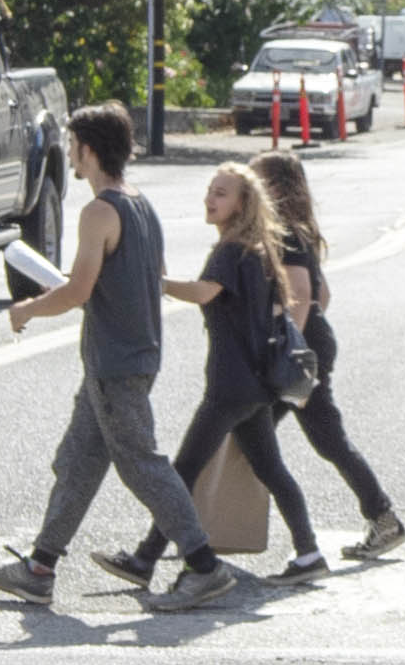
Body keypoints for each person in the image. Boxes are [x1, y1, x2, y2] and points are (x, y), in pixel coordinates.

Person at [0, 104, 240, 612]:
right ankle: (39, 568)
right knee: (78, 462)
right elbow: (143, 279)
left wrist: (28, 308)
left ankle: (205, 566)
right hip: (123, 359)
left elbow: (77, 291)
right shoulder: (142, 205)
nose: (70, 155)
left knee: (142, 465)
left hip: (116, 364)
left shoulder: (99, 213)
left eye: (73, 145)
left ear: (88, 150)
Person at [107, 164, 325, 583]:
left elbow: (203, 292)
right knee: (270, 469)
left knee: (184, 470)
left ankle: (145, 559)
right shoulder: (257, 250)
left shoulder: (230, 252)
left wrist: (157, 281)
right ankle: (308, 552)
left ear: (242, 204)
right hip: (257, 385)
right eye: (209, 190)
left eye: (221, 193)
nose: (210, 199)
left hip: (229, 387)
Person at [246, 146, 405, 562]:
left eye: (255, 179)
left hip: (300, 348)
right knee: (312, 435)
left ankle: (379, 519)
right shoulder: (299, 228)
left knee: (259, 429)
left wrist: (287, 349)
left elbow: (303, 296)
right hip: (313, 340)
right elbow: (322, 295)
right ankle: (381, 518)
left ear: (275, 187)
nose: (249, 186)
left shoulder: (283, 230)